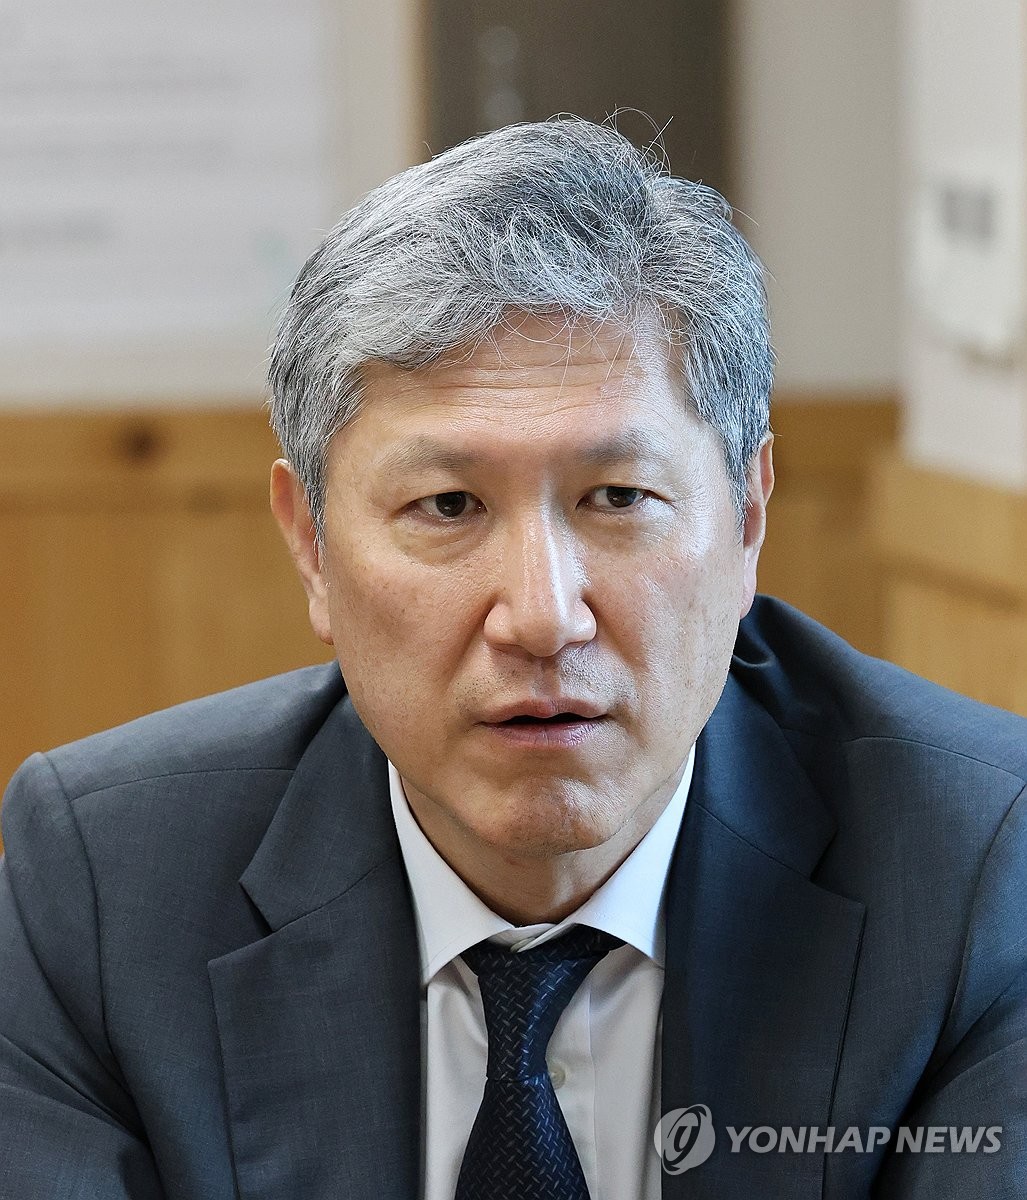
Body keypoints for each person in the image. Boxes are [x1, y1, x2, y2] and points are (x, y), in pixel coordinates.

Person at [1, 118, 1024, 1200]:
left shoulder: (973, 866)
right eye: (448, 505)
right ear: (309, 544)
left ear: (746, 522)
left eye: (618, 497)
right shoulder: (108, 886)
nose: (542, 618)